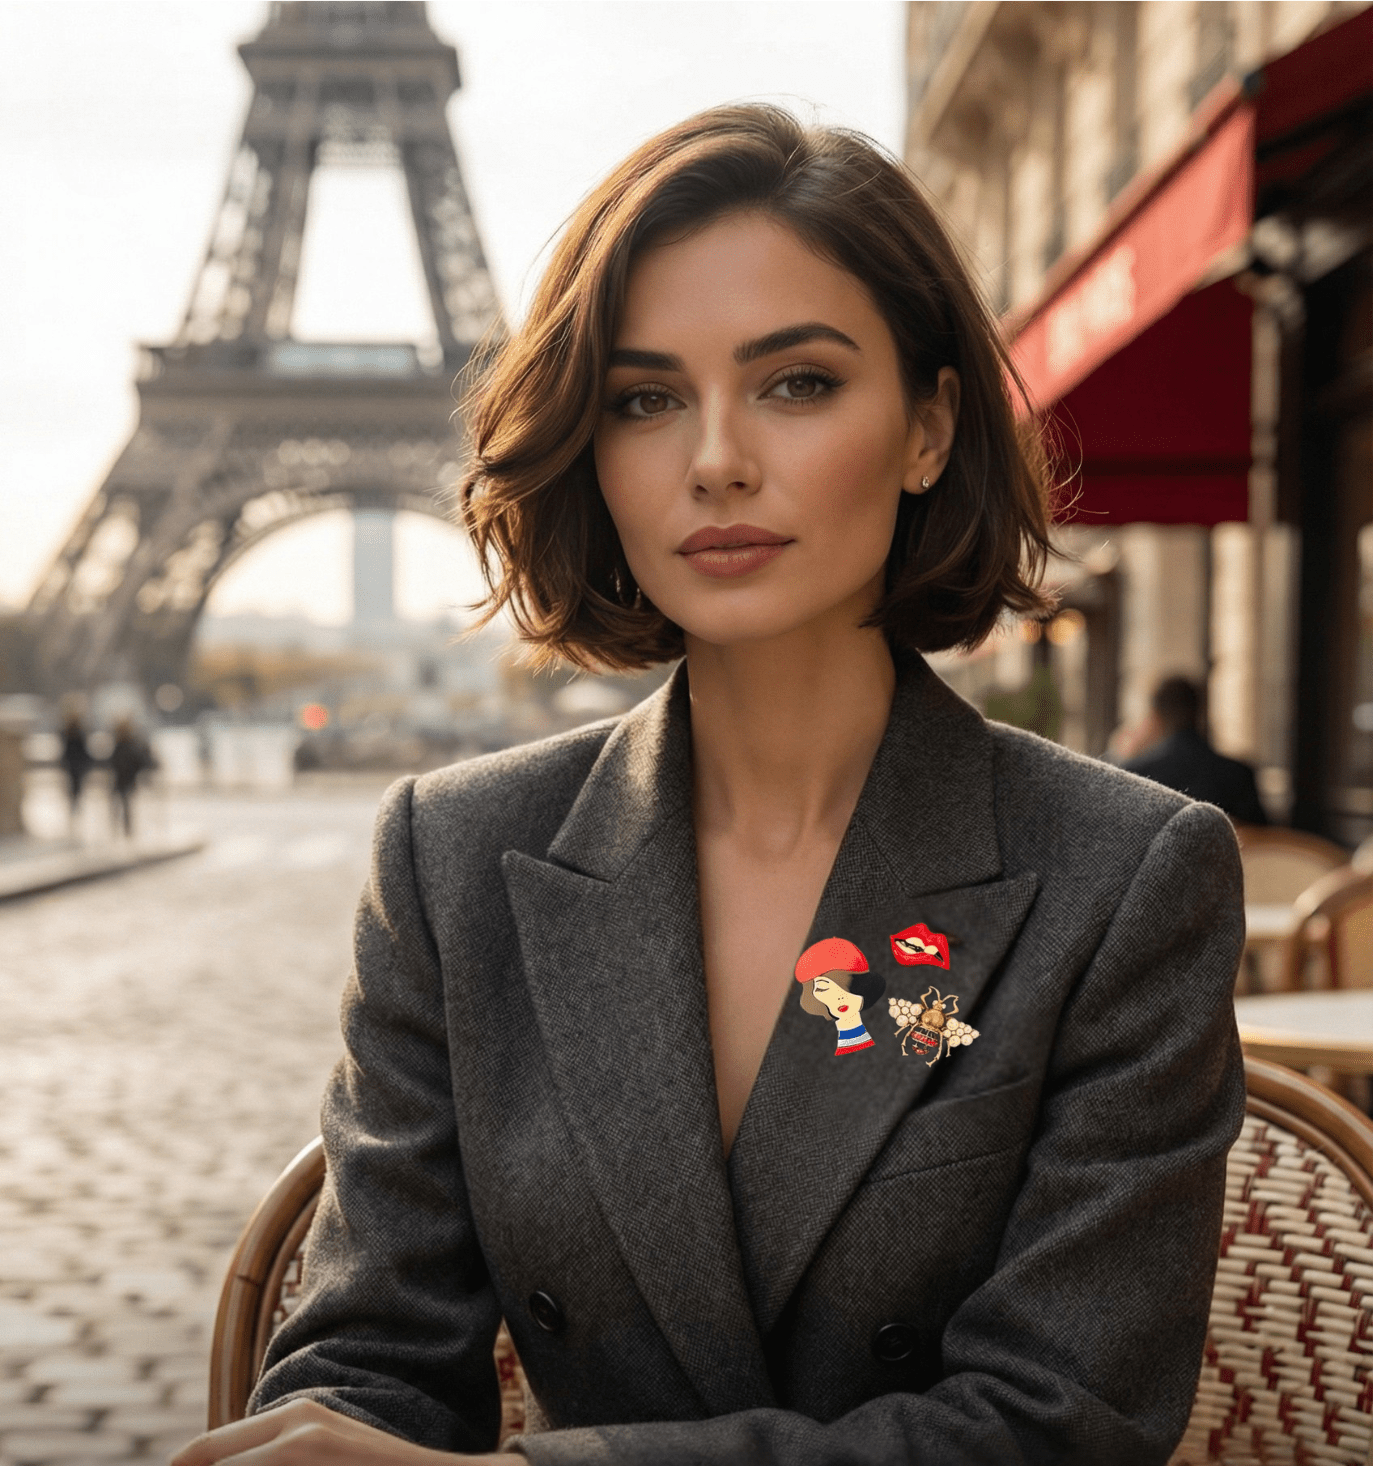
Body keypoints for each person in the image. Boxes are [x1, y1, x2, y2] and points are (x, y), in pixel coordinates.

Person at [176, 105, 1245, 1466]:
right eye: (643, 398)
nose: (715, 457)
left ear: (927, 427)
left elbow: (1060, 1420)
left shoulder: (1126, 874)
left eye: (797, 382)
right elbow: (369, 1351)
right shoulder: (453, 861)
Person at [1124, 675, 1269, 827]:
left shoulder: (1137, 773)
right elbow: (1263, 839)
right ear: (1199, 712)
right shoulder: (1238, 774)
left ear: (1155, 716)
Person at [107, 718, 153, 839]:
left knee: (125, 806)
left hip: (126, 779)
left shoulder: (129, 746)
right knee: (118, 805)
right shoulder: (121, 745)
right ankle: (118, 830)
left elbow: (137, 762)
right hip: (121, 779)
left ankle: (126, 831)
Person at [57, 711, 92, 835]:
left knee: (74, 791)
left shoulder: (70, 734)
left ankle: (75, 812)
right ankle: (75, 812)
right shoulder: (75, 734)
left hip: (73, 766)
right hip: (76, 767)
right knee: (75, 791)